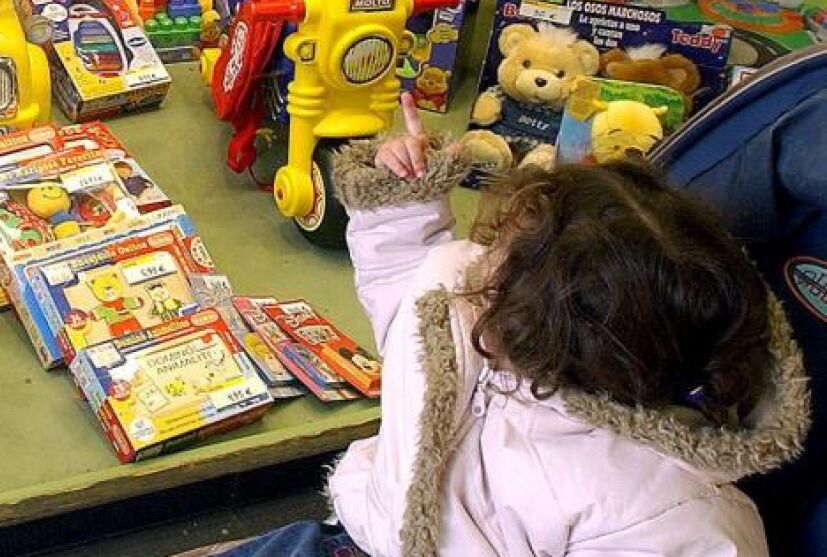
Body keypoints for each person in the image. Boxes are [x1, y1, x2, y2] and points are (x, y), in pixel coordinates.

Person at [224, 94, 810, 557]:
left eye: (498, 262)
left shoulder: (672, 511)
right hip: (361, 536)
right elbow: (408, 289)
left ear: (533, 329)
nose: (475, 265)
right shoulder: (464, 297)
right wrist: (402, 197)